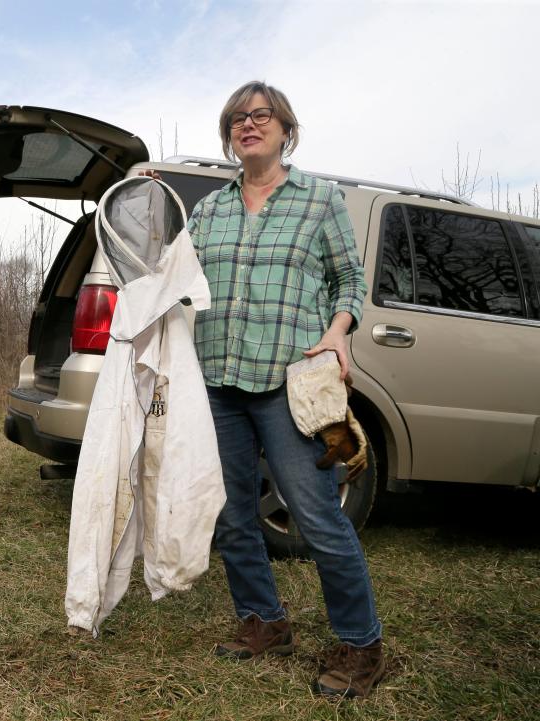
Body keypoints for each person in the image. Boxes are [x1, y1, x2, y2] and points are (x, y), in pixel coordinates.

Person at [184, 81, 384, 698]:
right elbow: (180, 285)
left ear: (284, 128)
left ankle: (361, 645)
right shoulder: (209, 210)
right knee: (233, 515)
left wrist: (337, 334)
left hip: (285, 385)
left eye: (260, 116)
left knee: (317, 515)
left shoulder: (318, 200)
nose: (249, 125)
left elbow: (349, 278)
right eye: (237, 119)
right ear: (229, 134)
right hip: (216, 381)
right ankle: (264, 622)